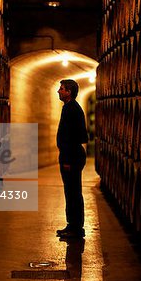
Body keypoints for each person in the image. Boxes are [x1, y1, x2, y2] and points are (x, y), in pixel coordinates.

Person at [56, 79, 88, 238]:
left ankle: (76, 228)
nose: (58, 91)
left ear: (69, 92)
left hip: (72, 156)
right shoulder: (69, 107)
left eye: (61, 89)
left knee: (73, 193)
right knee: (71, 192)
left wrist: (67, 160)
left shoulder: (72, 109)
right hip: (71, 154)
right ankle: (72, 225)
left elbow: (73, 137)